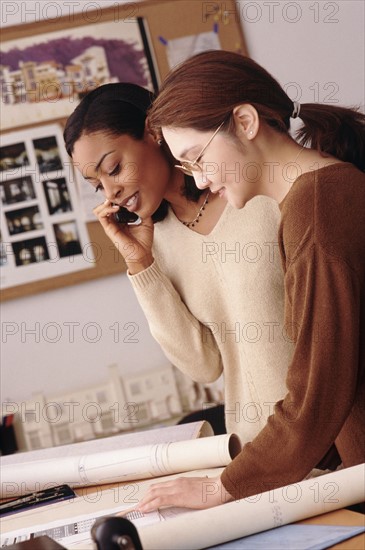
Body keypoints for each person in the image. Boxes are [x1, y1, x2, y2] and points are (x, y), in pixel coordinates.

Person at [135, 50, 365, 512]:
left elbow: (315, 396)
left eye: (198, 158)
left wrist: (223, 487)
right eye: (185, 167)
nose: (198, 179)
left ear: (244, 121)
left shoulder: (316, 212)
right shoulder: (322, 192)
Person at [63, 83, 294, 448]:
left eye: (115, 168)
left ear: (154, 132)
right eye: (97, 185)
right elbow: (204, 366)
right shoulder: (158, 244)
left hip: (327, 444)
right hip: (253, 452)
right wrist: (141, 266)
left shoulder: (256, 190)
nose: (111, 193)